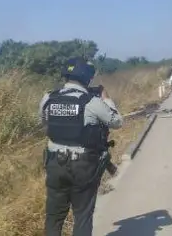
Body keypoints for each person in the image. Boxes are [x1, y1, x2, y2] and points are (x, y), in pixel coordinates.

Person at [38, 58, 124, 236]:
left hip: (54, 164)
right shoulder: (91, 102)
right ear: (87, 79)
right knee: (82, 216)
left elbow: (43, 122)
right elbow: (117, 121)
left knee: (54, 216)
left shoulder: (48, 97)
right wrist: (106, 99)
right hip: (82, 166)